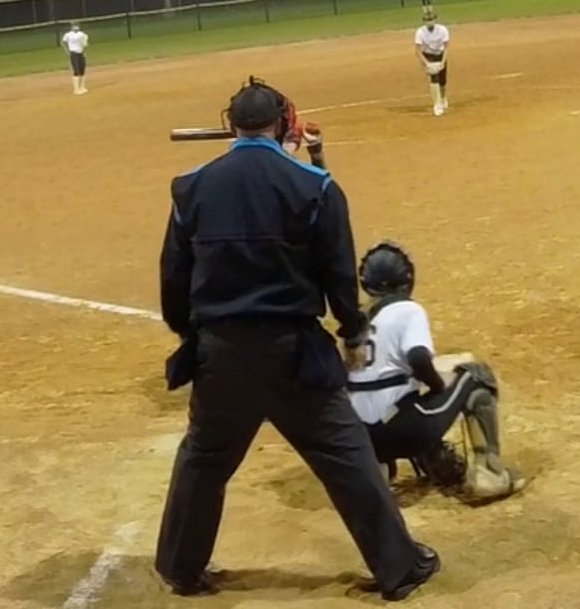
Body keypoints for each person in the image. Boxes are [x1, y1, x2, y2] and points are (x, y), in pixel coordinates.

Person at [156, 78, 439, 601]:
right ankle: (399, 567)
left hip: (221, 351)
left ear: (231, 124)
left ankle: (180, 567)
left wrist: (191, 336)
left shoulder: (190, 186)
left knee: (204, 457)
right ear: (284, 122)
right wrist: (352, 330)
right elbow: (338, 274)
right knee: (346, 455)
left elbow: (174, 275)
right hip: (294, 351)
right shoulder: (315, 186)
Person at [347, 240, 523, 503]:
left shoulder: (356, 321)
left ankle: (380, 476)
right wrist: (440, 386)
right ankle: (491, 475)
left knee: (402, 392)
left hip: (362, 438)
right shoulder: (407, 310)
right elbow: (418, 357)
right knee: (474, 375)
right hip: (401, 430)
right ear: (407, 279)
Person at [414, 11, 450, 116]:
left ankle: (443, 97)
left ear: (435, 20)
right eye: (427, 20)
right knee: (434, 78)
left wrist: (443, 62)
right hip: (428, 55)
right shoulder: (420, 32)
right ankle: (437, 104)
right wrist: (427, 63)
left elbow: (446, 48)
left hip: (440, 54)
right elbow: (417, 50)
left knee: (443, 80)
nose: (429, 22)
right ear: (424, 21)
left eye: (431, 20)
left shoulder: (443, 30)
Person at [61, 22, 90, 94]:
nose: (76, 27)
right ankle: (76, 89)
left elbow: (85, 44)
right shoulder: (68, 34)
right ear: (71, 27)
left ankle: (82, 87)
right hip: (74, 54)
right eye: (74, 26)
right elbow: (63, 42)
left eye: (77, 26)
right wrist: (67, 51)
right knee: (76, 71)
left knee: (82, 70)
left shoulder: (82, 34)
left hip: (81, 53)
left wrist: (84, 50)